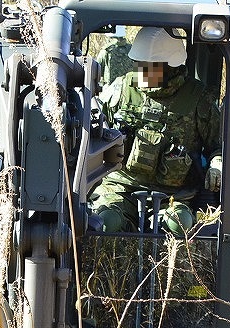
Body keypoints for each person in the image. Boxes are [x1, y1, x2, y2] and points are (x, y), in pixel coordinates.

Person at [90, 27, 222, 236]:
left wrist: (217, 165)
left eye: (149, 66)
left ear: (171, 67)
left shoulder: (199, 99)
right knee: (107, 222)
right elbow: (92, 128)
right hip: (122, 186)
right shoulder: (121, 89)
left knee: (177, 224)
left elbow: (219, 146)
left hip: (175, 194)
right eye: (139, 64)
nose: (141, 71)